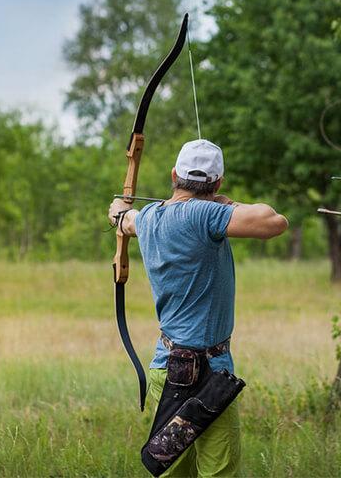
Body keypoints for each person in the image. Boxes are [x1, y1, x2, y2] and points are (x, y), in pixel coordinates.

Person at [108, 139, 288, 477]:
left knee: (176, 470)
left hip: (166, 366)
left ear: (173, 174)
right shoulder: (208, 214)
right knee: (219, 471)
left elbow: (122, 219)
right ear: (218, 183)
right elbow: (275, 221)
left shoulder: (147, 217)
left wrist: (118, 209)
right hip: (208, 374)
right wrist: (228, 203)